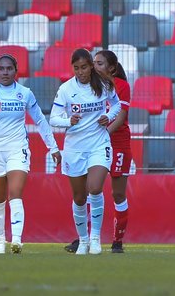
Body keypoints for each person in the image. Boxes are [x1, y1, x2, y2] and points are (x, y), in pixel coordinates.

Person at [0, 54, 61, 254]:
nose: (5, 72)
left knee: (15, 193)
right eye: (1, 69)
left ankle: (16, 240)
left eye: (9, 68)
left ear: (16, 71)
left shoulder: (25, 93)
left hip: (17, 148)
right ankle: (0, 240)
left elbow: (40, 121)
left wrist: (54, 147)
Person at [49, 48, 121, 255]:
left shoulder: (103, 84)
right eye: (76, 68)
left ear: (91, 66)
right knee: (80, 198)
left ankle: (96, 238)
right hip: (74, 148)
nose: (80, 72)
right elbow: (53, 118)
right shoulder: (65, 89)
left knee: (95, 188)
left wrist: (108, 116)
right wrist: (67, 121)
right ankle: (83, 240)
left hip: (99, 143)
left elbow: (117, 105)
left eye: (84, 67)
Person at [65, 50, 132, 254]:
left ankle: (117, 240)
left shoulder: (121, 86)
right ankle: (84, 238)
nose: (94, 67)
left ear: (112, 67)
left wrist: (101, 134)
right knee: (87, 190)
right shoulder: (87, 85)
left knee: (118, 193)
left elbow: (120, 116)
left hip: (117, 141)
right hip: (93, 144)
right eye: (93, 63)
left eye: (99, 63)